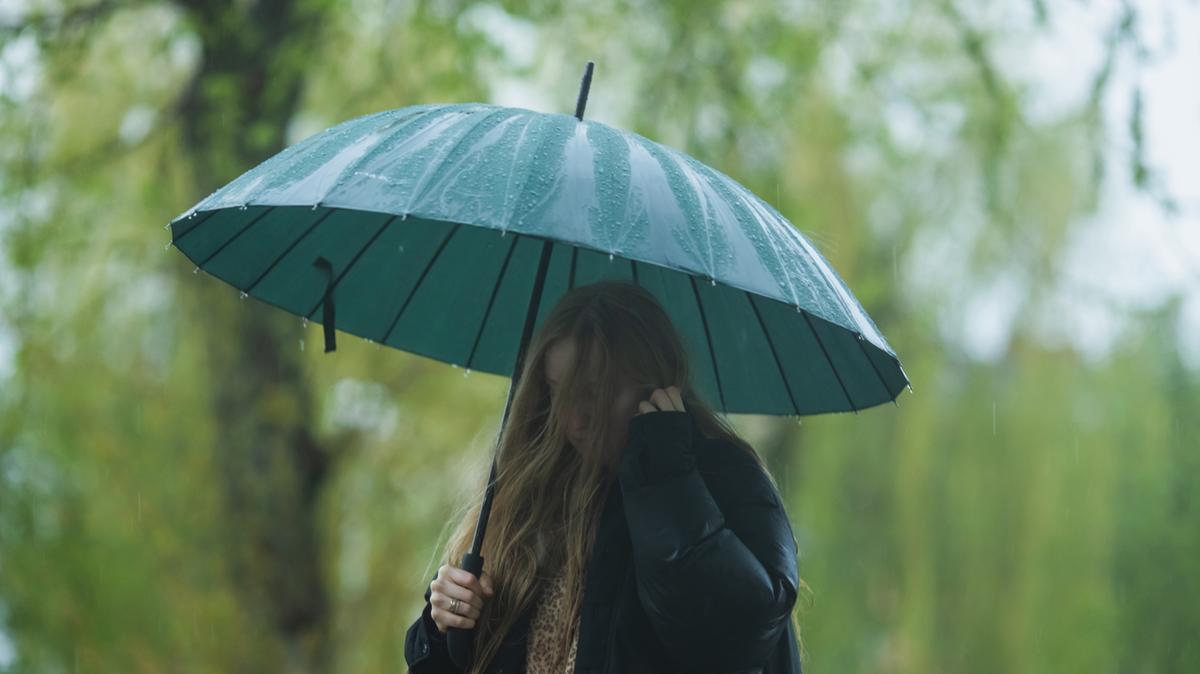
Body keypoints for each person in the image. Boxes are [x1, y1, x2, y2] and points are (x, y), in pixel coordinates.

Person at [404, 279, 804, 673]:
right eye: (558, 391)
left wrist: (665, 476)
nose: (575, 418)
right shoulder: (530, 493)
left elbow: (736, 634)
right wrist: (442, 628)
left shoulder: (723, 476)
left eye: (595, 392)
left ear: (656, 382)